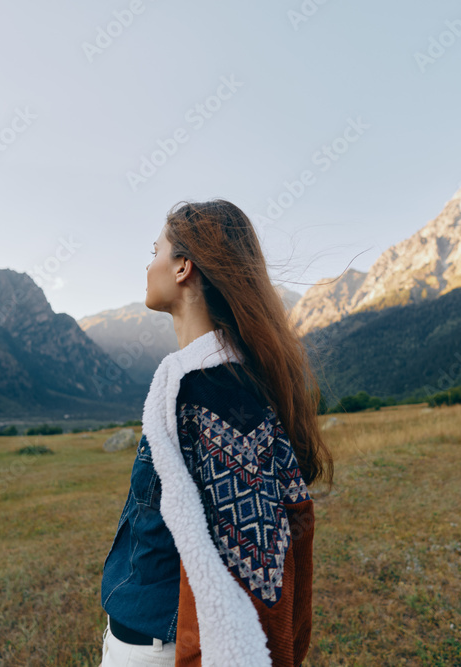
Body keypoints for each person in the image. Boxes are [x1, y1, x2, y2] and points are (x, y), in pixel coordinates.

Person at [98, 199, 334, 666]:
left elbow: (254, 571)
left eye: (156, 251)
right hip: (144, 634)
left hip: (159, 648)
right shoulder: (206, 384)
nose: (149, 265)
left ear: (183, 266)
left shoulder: (214, 394)